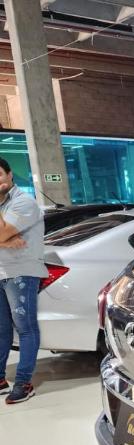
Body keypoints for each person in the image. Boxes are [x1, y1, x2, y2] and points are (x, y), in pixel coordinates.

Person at [0, 157, 46, 404]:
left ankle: (23, 383)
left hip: (21, 272)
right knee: (1, 330)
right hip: (1, 271)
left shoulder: (24, 202)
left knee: (26, 329)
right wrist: (6, 241)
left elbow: (2, 231)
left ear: (9, 175)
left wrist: (5, 237)